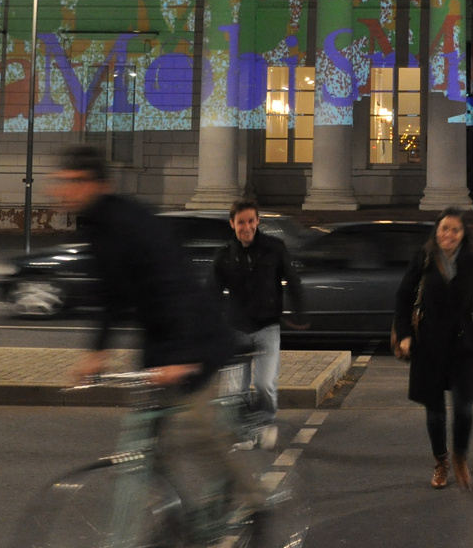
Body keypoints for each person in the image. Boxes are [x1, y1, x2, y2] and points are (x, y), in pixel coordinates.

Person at [48, 144, 263, 522]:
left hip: (193, 336)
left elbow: (173, 283)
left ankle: (254, 500)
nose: (63, 191)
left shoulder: (133, 221)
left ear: (100, 184)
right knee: (146, 443)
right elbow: (110, 298)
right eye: (61, 182)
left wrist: (182, 358)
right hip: (160, 342)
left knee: (197, 430)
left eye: (73, 182)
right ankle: (170, 516)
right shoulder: (95, 227)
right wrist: (96, 353)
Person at [392, 207, 473, 491]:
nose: (448, 234)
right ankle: (440, 462)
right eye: (444, 228)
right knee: (435, 410)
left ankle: (460, 456)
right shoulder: (425, 257)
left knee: (464, 408)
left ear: (464, 235)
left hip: (464, 344)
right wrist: (404, 334)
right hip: (428, 344)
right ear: (436, 231)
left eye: (455, 229)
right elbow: (404, 294)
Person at [212, 199, 306, 449]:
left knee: (265, 383)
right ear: (232, 224)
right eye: (241, 222)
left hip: (267, 327)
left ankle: (264, 424)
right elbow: (210, 294)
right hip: (236, 329)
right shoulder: (224, 256)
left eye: (251, 221)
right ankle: (243, 432)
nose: (247, 227)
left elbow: (293, 281)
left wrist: (300, 313)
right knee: (234, 391)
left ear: (258, 221)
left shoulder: (274, 248)